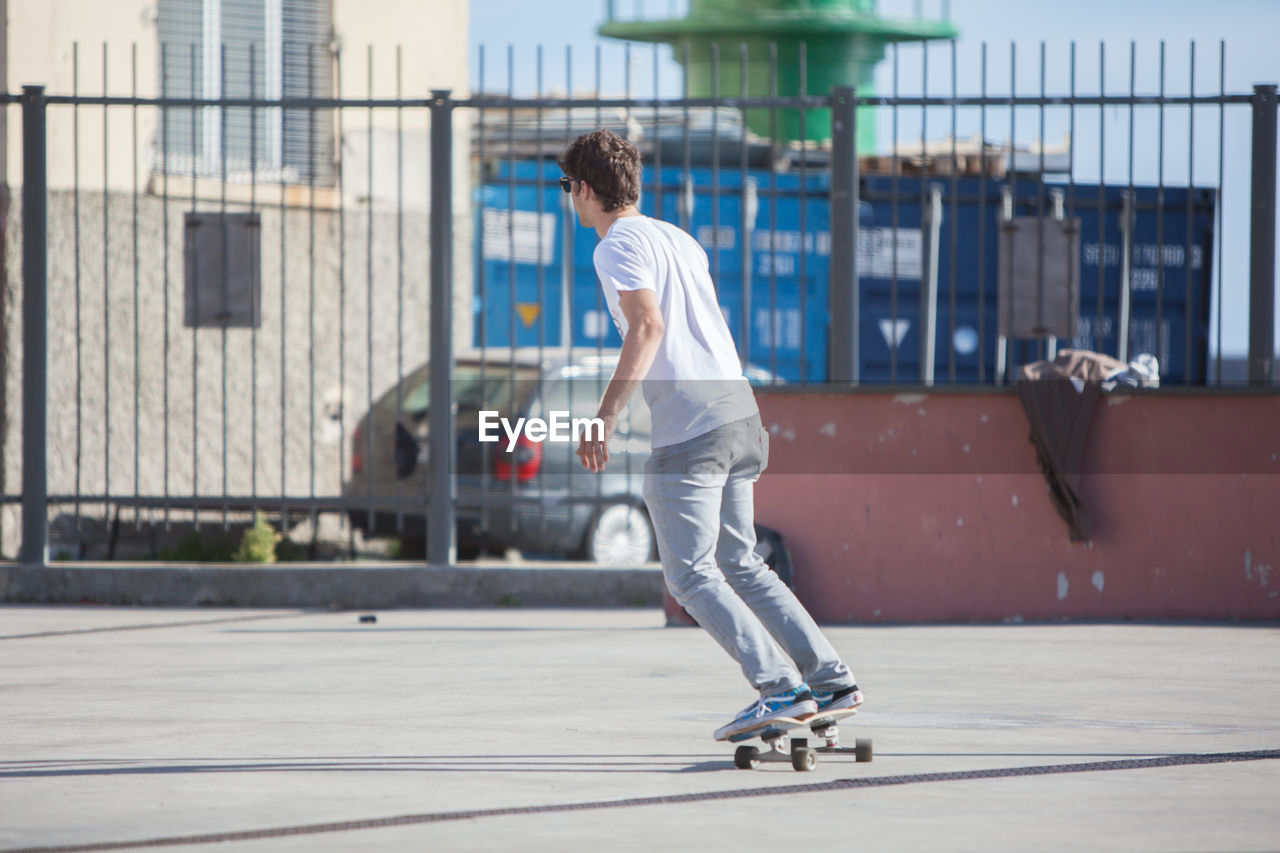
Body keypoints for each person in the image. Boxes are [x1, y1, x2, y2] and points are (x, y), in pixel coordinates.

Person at [558, 129, 862, 741]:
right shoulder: (680, 240)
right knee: (741, 562)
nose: (570, 199)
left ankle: (781, 688)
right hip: (740, 412)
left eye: (568, 188)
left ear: (586, 189)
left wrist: (605, 417)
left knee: (692, 574)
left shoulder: (616, 244)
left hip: (692, 425)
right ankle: (830, 679)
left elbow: (647, 327)